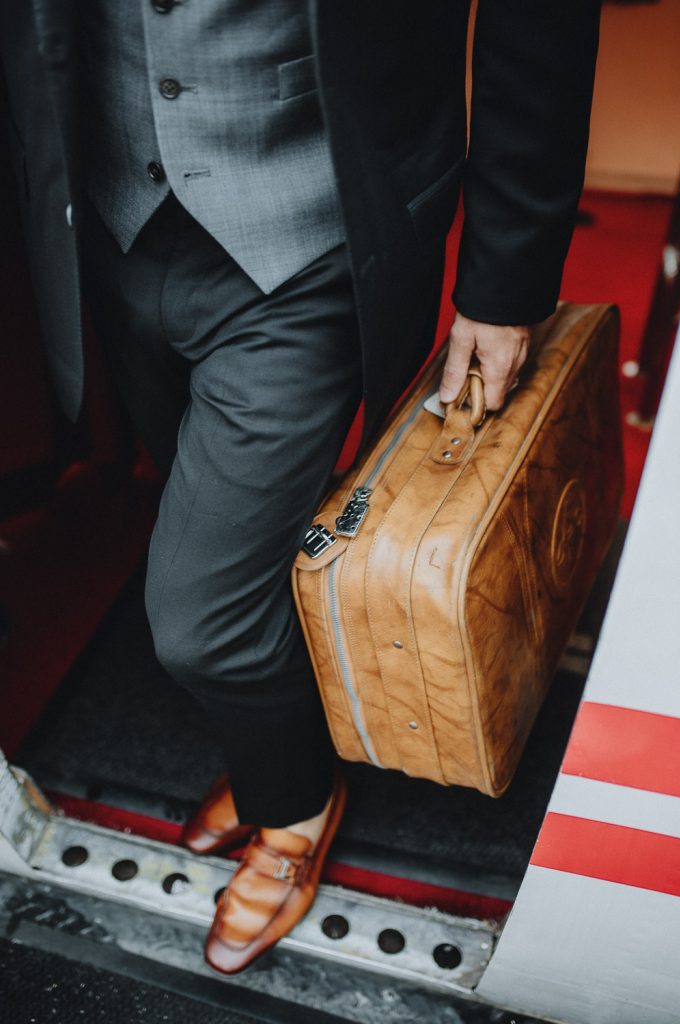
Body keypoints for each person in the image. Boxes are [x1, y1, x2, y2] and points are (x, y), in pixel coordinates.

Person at [0, 0, 601, 974]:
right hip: (103, 214)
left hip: (305, 226)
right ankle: (277, 741)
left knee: (198, 613)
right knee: (234, 532)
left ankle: (296, 808)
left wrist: (506, 277)